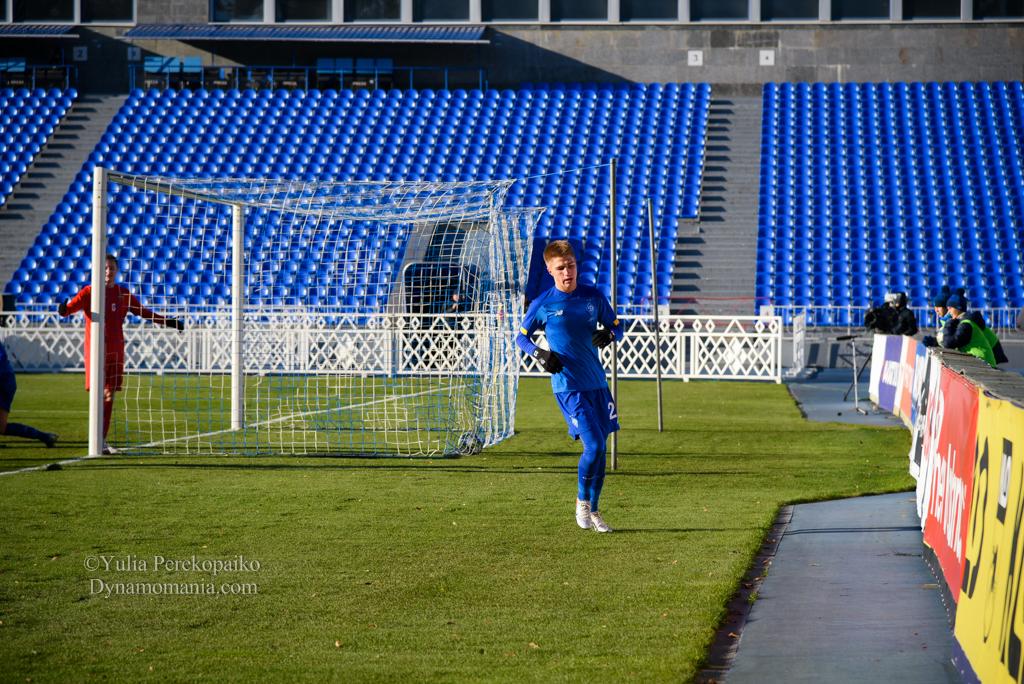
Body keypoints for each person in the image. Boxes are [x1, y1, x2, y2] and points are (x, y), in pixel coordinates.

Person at [516, 240, 624, 533]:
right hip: (568, 386)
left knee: (601, 451)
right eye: (561, 268)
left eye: (571, 266)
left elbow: (618, 326)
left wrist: (610, 334)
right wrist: (540, 354)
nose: (568, 272)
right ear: (550, 270)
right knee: (595, 445)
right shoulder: (544, 304)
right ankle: (581, 502)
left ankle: (595, 511)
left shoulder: (593, 296)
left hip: (597, 384)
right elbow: (521, 337)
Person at [58, 254, 184, 453]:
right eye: (105, 268)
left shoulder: (122, 294)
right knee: (98, 395)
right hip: (96, 352)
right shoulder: (89, 292)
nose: (108, 272)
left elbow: (143, 312)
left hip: (116, 351)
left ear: (116, 271)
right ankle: (96, 440)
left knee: (109, 396)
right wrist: (63, 309)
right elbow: (69, 309)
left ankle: (101, 441)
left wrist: (169, 321)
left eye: (112, 268)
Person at [0, 340, 58, 447]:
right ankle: (45, 436)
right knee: (1, 428)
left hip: (3, 380)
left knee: (1, 427)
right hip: (6, 379)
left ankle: (44, 436)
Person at [940, 290, 997, 368]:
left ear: (958, 308)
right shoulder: (964, 322)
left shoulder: (966, 324)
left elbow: (949, 343)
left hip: (983, 363)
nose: (948, 311)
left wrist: (948, 324)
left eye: (950, 307)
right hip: (980, 360)